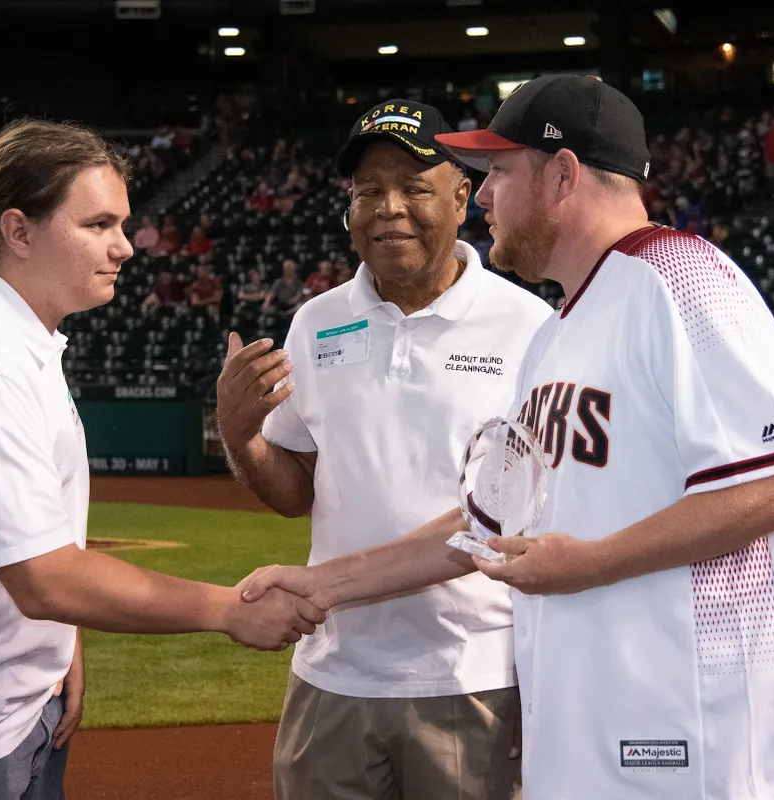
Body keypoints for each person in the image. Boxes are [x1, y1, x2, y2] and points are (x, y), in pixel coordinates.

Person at [240, 76, 774, 800]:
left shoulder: (681, 277)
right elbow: (482, 527)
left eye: (500, 171)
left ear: (561, 175)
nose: (487, 194)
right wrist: (321, 584)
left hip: (706, 741)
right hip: (607, 736)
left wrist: (589, 562)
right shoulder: (556, 337)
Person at [0, 120, 324, 800]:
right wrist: (229, 608)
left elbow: (30, 543)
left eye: (123, 223)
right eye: (98, 224)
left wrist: (59, 645)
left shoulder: (16, 337)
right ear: (20, 232)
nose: (123, 246)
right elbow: (45, 578)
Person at [218, 99, 552, 800]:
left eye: (413, 187)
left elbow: (511, 515)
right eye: (368, 190)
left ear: (463, 198)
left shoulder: (531, 328)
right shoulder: (318, 320)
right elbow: (294, 492)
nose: (387, 207)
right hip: (332, 670)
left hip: (472, 677)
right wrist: (241, 435)